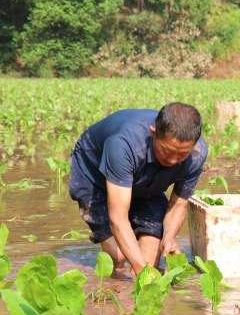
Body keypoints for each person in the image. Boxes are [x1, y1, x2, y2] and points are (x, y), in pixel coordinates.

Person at [69, 102, 208, 276]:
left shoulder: (197, 155)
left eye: (182, 154)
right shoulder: (123, 144)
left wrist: (169, 236)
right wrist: (142, 272)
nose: (173, 161)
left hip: (145, 178)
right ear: (153, 132)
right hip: (94, 173)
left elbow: (178, 205)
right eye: (167, 151)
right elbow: (117, 217)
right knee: (118, 256)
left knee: (150, 261)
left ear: (193, 145)